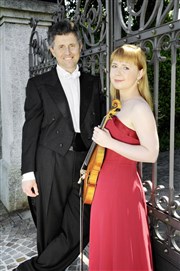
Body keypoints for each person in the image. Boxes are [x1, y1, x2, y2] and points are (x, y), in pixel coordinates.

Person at [14, 19, 104, 271]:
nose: (67, 52)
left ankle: (33, 269)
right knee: (50, 225)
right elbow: (29, 129)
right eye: (61, 46)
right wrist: (27, 173)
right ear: (52, 50)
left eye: (72, 45)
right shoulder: (38, 84)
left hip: (85, 162)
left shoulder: (93, 82)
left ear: (80, 46)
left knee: (82, 225)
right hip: (50, 162)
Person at [89, 44, 159, 271]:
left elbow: (151, 153)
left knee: (122, 248)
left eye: (126, 67)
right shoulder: (118, 106)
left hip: (122, 191)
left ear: (140, 73)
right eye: (114, 66)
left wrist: (109, 142)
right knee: (107, 245)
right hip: (105, 188)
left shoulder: (139, 108)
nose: (117, 72)